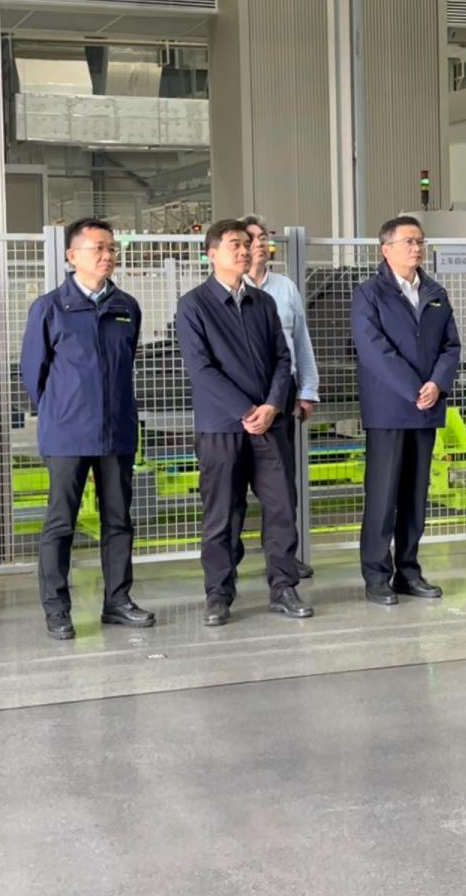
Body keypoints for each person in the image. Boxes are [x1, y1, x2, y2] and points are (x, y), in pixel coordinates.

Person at [20, 218, 155, 641]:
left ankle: (117, 601)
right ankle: (57, 608)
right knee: (61, 522)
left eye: (111, 248)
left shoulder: (126, 307)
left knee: (119, 520)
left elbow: (126, 363)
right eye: (98, 248)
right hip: (67, 434)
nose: (107, 255)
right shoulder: (50, 308)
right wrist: (62, 411)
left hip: (117, 433)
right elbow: (33, 374)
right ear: (71, 255)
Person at [175, 220, 312, 626]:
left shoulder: (263, 303)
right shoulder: (194, 305)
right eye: (234, 244)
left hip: (269, 426)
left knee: (281, 507)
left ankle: (284, 587)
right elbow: (201, 369)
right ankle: (218, 594)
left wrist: (271, 406)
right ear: (211, 254)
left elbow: (283, 359)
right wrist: (246, 410)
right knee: (222, 513)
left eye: (247, 244)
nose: (244, 250)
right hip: (221, 428)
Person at [350, 215, 461, 605]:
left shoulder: (435, 292)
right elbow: (373, 349)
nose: (417, 248)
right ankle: (377, 575)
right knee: (383, 497)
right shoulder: (369, 293)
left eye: (420, 241)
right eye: (409, 241)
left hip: (425, 409)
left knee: (415, 496)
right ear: (387, 249)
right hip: (388, 410)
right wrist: (415, 388)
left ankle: (409, 571)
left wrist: (437, 384)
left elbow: (451, 346)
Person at [240, 215, 320, 581]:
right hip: (240, 399)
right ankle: (228, 563)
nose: (258, 243)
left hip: (282, 394)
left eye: (263, 237)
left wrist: (307, 390)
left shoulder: (285, 288)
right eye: (251, 238)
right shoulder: (226, 289)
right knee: (234, 487)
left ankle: (283, 559)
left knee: (283, 485)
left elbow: (300, 341)